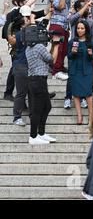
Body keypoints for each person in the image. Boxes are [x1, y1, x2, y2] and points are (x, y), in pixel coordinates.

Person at [25, 17, 60, 145]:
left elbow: (46, 59)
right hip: (38, 80)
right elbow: (52, 60)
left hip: (36, 80)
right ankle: (33, 136)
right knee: (38, 109)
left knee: (47, 106)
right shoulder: (39, 47)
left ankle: (41, 133)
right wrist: (56, 45)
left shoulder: (29, 48)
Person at [68, 20, 93, 125]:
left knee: (88, 93)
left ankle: (91, 115)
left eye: (82, 28)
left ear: (86, 29)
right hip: (75, 70)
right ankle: (79, 116)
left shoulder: (91, 42)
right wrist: (73, 52)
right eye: (78, 28)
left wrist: (90, 54)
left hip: (87, 71)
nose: (80, 30)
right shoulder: (72, 42)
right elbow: (69, 56)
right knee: (76, 94)